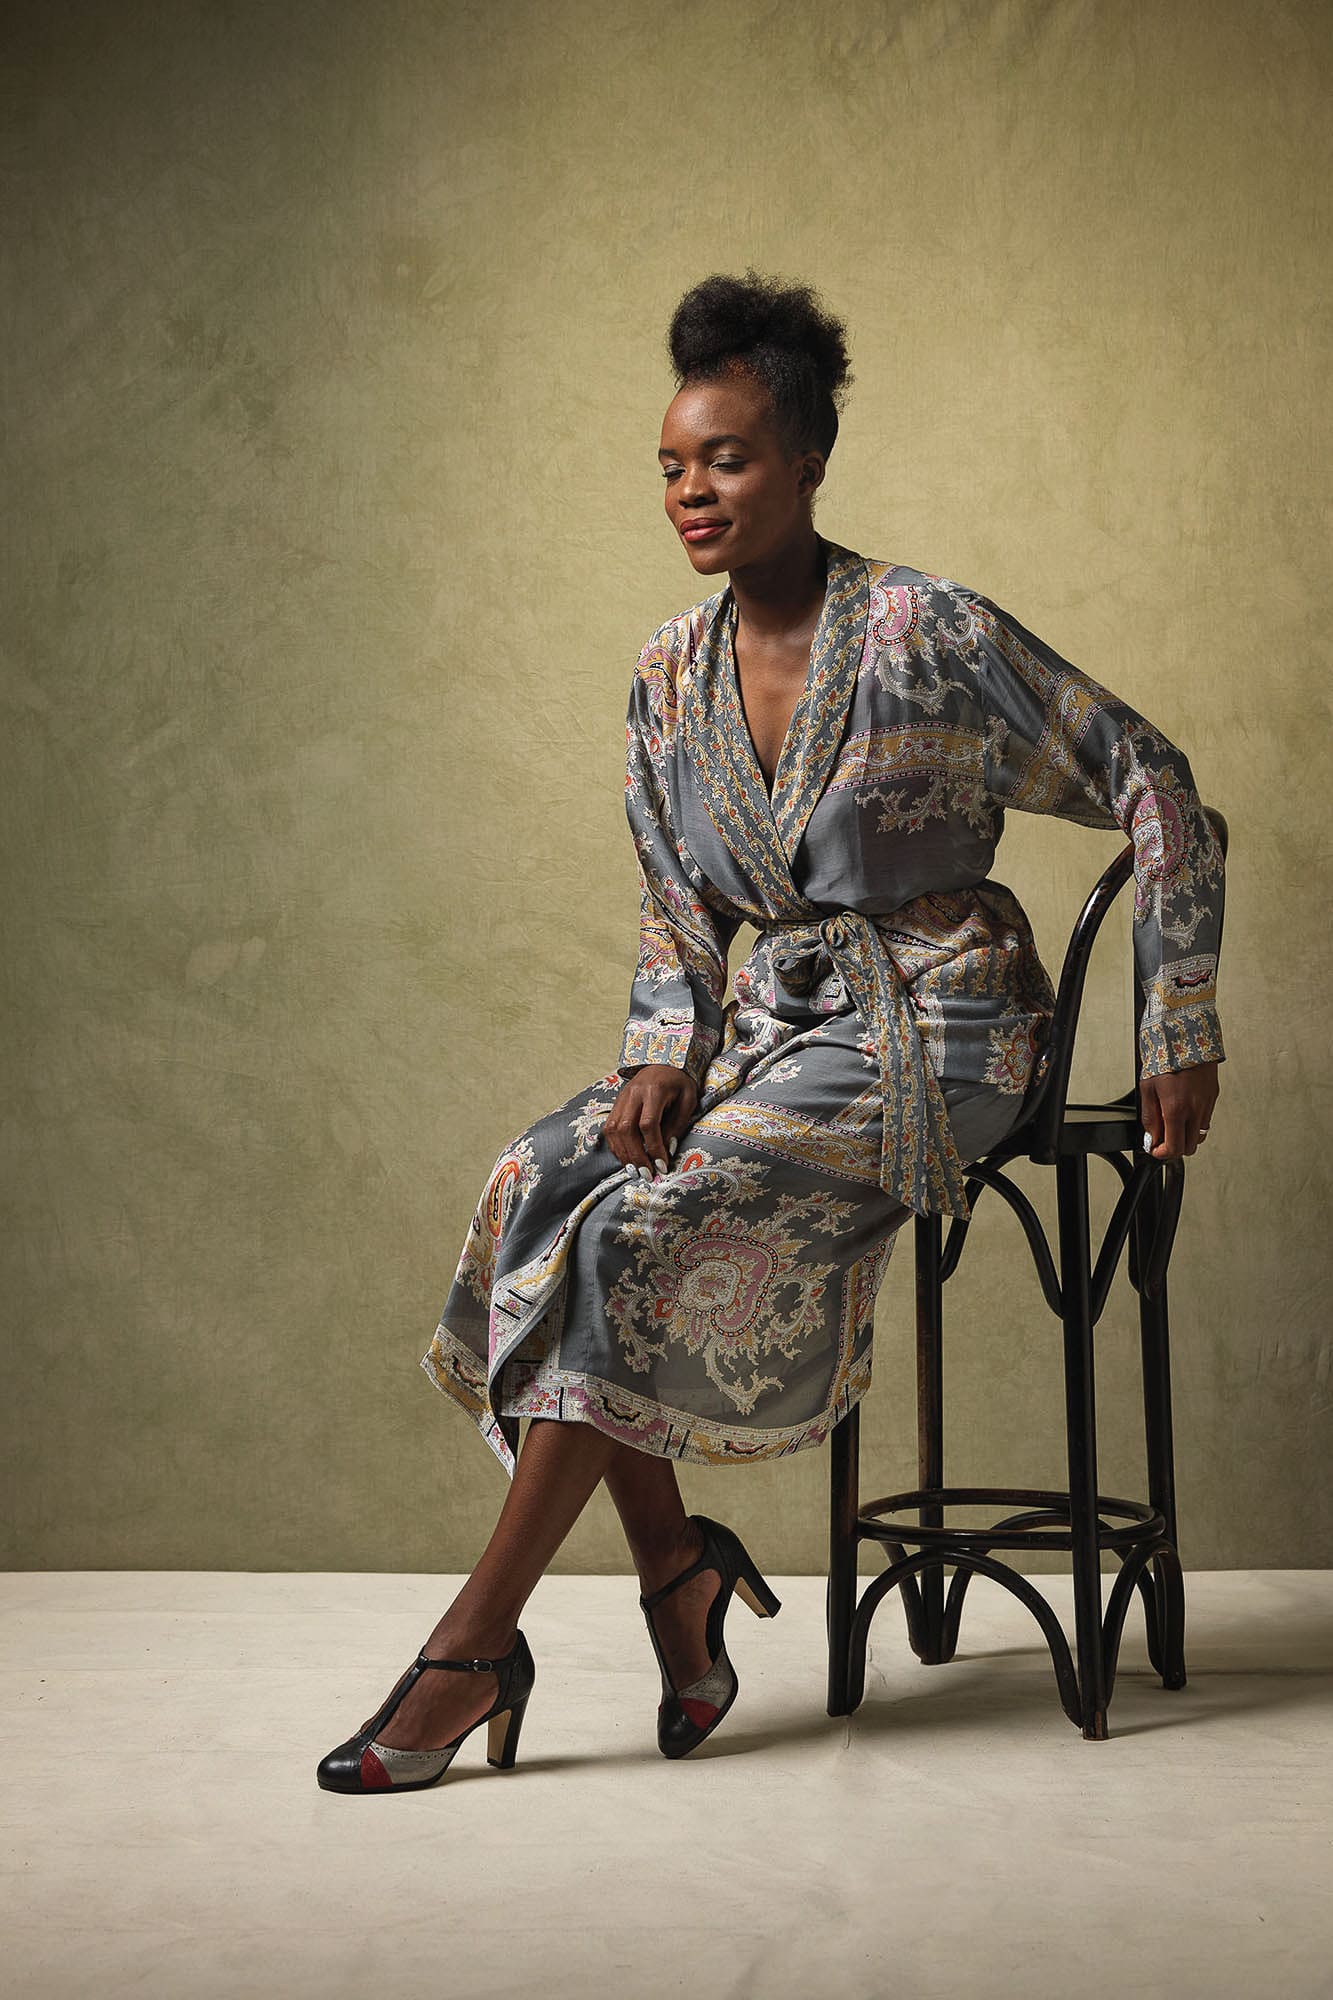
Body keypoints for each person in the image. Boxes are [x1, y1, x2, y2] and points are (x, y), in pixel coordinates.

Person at [317, 271, 1224, 1795]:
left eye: (725, 459)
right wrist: (661, 1051)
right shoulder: (665, 674)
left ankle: (473, 1645)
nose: (690, 490)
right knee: (539, 1183)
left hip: (946, 1034)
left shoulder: (929, 629)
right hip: (769, 1037)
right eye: (671, 464)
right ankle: (675, 1574)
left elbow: (1152, 778)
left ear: (805, 460)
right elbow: (675, 905)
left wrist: (1173, 1017)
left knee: (631, 1234)